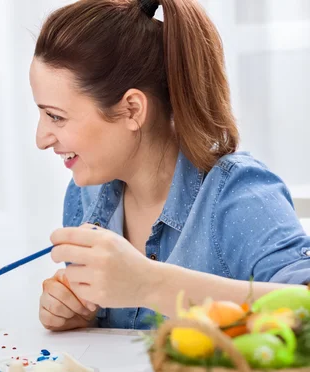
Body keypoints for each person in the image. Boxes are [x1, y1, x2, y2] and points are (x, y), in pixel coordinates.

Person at [30, 0, 310, 331]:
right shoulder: (84, 197)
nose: (41, 138)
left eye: (56, 116)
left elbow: (303, 310)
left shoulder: (239, 194)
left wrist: (149, 284)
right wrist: (76, 313)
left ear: (132, 110)